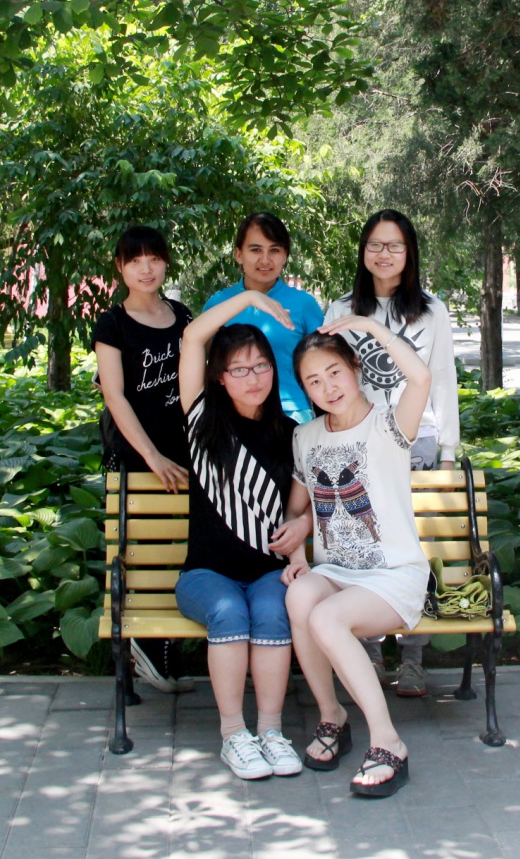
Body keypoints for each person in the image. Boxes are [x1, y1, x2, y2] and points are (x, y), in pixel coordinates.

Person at [285, 318, 433, 798]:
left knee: (325, 617)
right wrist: (297, 545)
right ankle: (333, 717)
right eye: (313, 381)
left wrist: (370, 327)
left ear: (354, 367)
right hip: (336, 571)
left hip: (393, 575)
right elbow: (298, 508)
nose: (327, 387)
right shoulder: (306, 436)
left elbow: (421, 377)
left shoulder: (389, 424)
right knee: (299, 596)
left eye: (334, 372)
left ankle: (388, 742)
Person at [173, 289, 314, 780]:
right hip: (205, 575)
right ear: (219, 376)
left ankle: (271, 733)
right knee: (229, 611)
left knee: (273, 612)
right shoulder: (201, 420)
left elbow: (306, 506)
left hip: (267, 572)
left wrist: (303, 526)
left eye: (261, 366)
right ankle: (234, 735)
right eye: (238, 369)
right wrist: (251, 295)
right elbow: (193, 337)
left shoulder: (291, 433)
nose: (253, 378)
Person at [323, 209, 460, 698]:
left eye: (394, 246)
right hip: (358, 448)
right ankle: (369, 652)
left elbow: (441, 379)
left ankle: (414, 658)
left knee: (413, 551)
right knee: (363, 549)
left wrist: (448, 452)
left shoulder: (431, 311)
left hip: (415, 445)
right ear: (363, 251)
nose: (384, 254)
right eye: (375, 245)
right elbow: (328, 379)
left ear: (409, 253)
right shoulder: (341, 309)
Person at [91, 225, 194, 694]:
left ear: (166, 262)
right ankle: (143, 650)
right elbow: (113, 395)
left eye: (154, 258)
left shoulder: (181, 315)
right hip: (136, 457)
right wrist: (151, 456)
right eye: (135, 260)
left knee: (180, 550)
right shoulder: (111, 324)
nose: (146, 268)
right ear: (120, 267)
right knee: (139, 553)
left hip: (184, 453)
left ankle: (164, 657)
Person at [204, 212, 324, 423]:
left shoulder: (304, 304)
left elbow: (324, 362)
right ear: (238, 254)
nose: (265, 260)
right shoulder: (218, 304)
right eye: (256, 250)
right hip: (232, 416)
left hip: (291, 414)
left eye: (275, 250)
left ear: (285, 255)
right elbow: (202, 361)